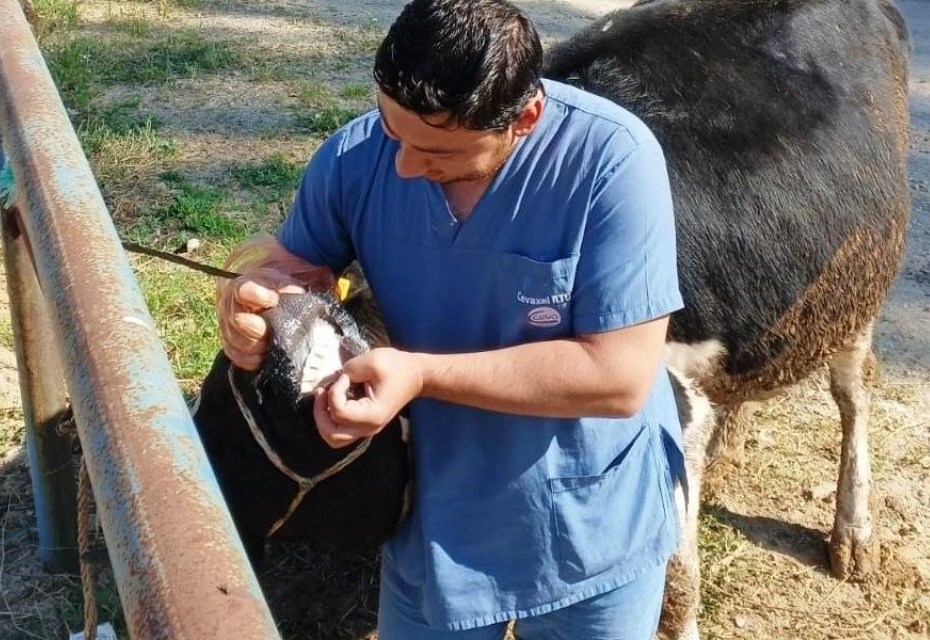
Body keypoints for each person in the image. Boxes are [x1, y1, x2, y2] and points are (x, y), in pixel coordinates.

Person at [216, 0, 684, 637]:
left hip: (588, 520)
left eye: (437, 151)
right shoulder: (357, 154)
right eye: (392, 130)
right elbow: (291, 268)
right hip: (431, 513)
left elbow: (619, 376)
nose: (404, 166)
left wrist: (420, 377)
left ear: (525, 119)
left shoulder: (612, 162)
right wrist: (256, 300)